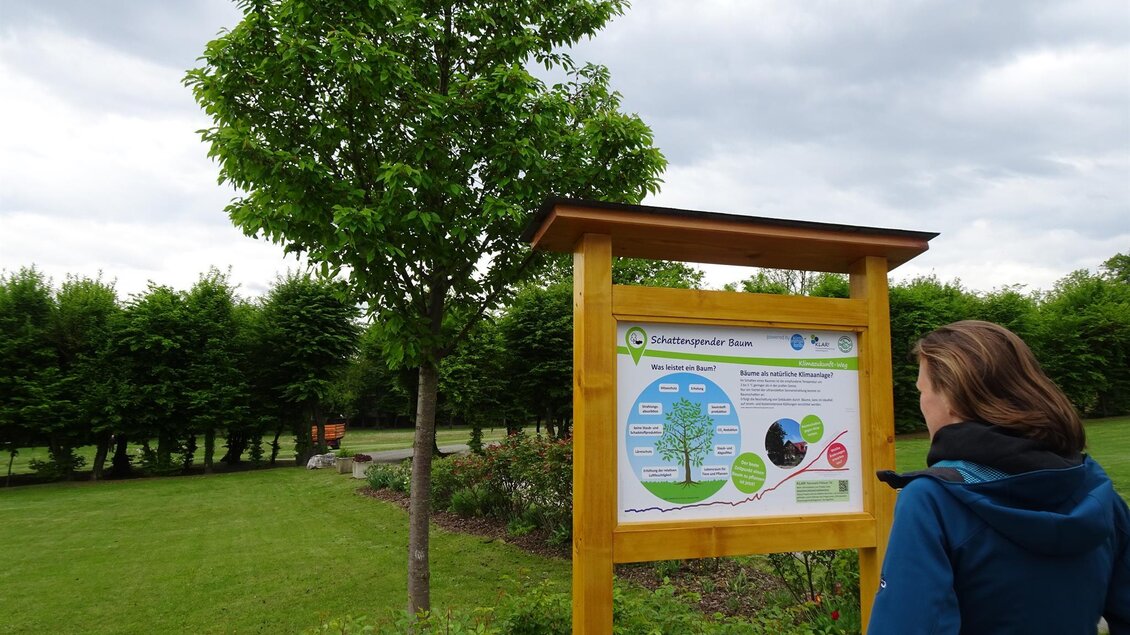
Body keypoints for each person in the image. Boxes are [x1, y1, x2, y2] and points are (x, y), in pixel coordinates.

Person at [868, 320, 1129, 634]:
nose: (922, 402)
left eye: (922, 391)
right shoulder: (1096, 491)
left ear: (950, 397)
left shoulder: (932, 500)